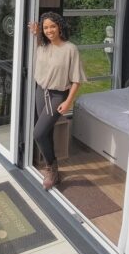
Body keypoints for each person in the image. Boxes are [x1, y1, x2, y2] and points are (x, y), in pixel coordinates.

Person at [28, 12, 86, 190]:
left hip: (57, 96)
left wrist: (68, 101)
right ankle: (53, 170)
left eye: (52, 26)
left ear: (60, 26)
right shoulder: (42, 47)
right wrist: (38, 33)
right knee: (45, 132)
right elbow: (45, 48)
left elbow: (77, 80)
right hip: (40, 91)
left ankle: (51, 168)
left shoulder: (70, 49)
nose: (49, 30)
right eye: (46, 27)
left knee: (38, 133)